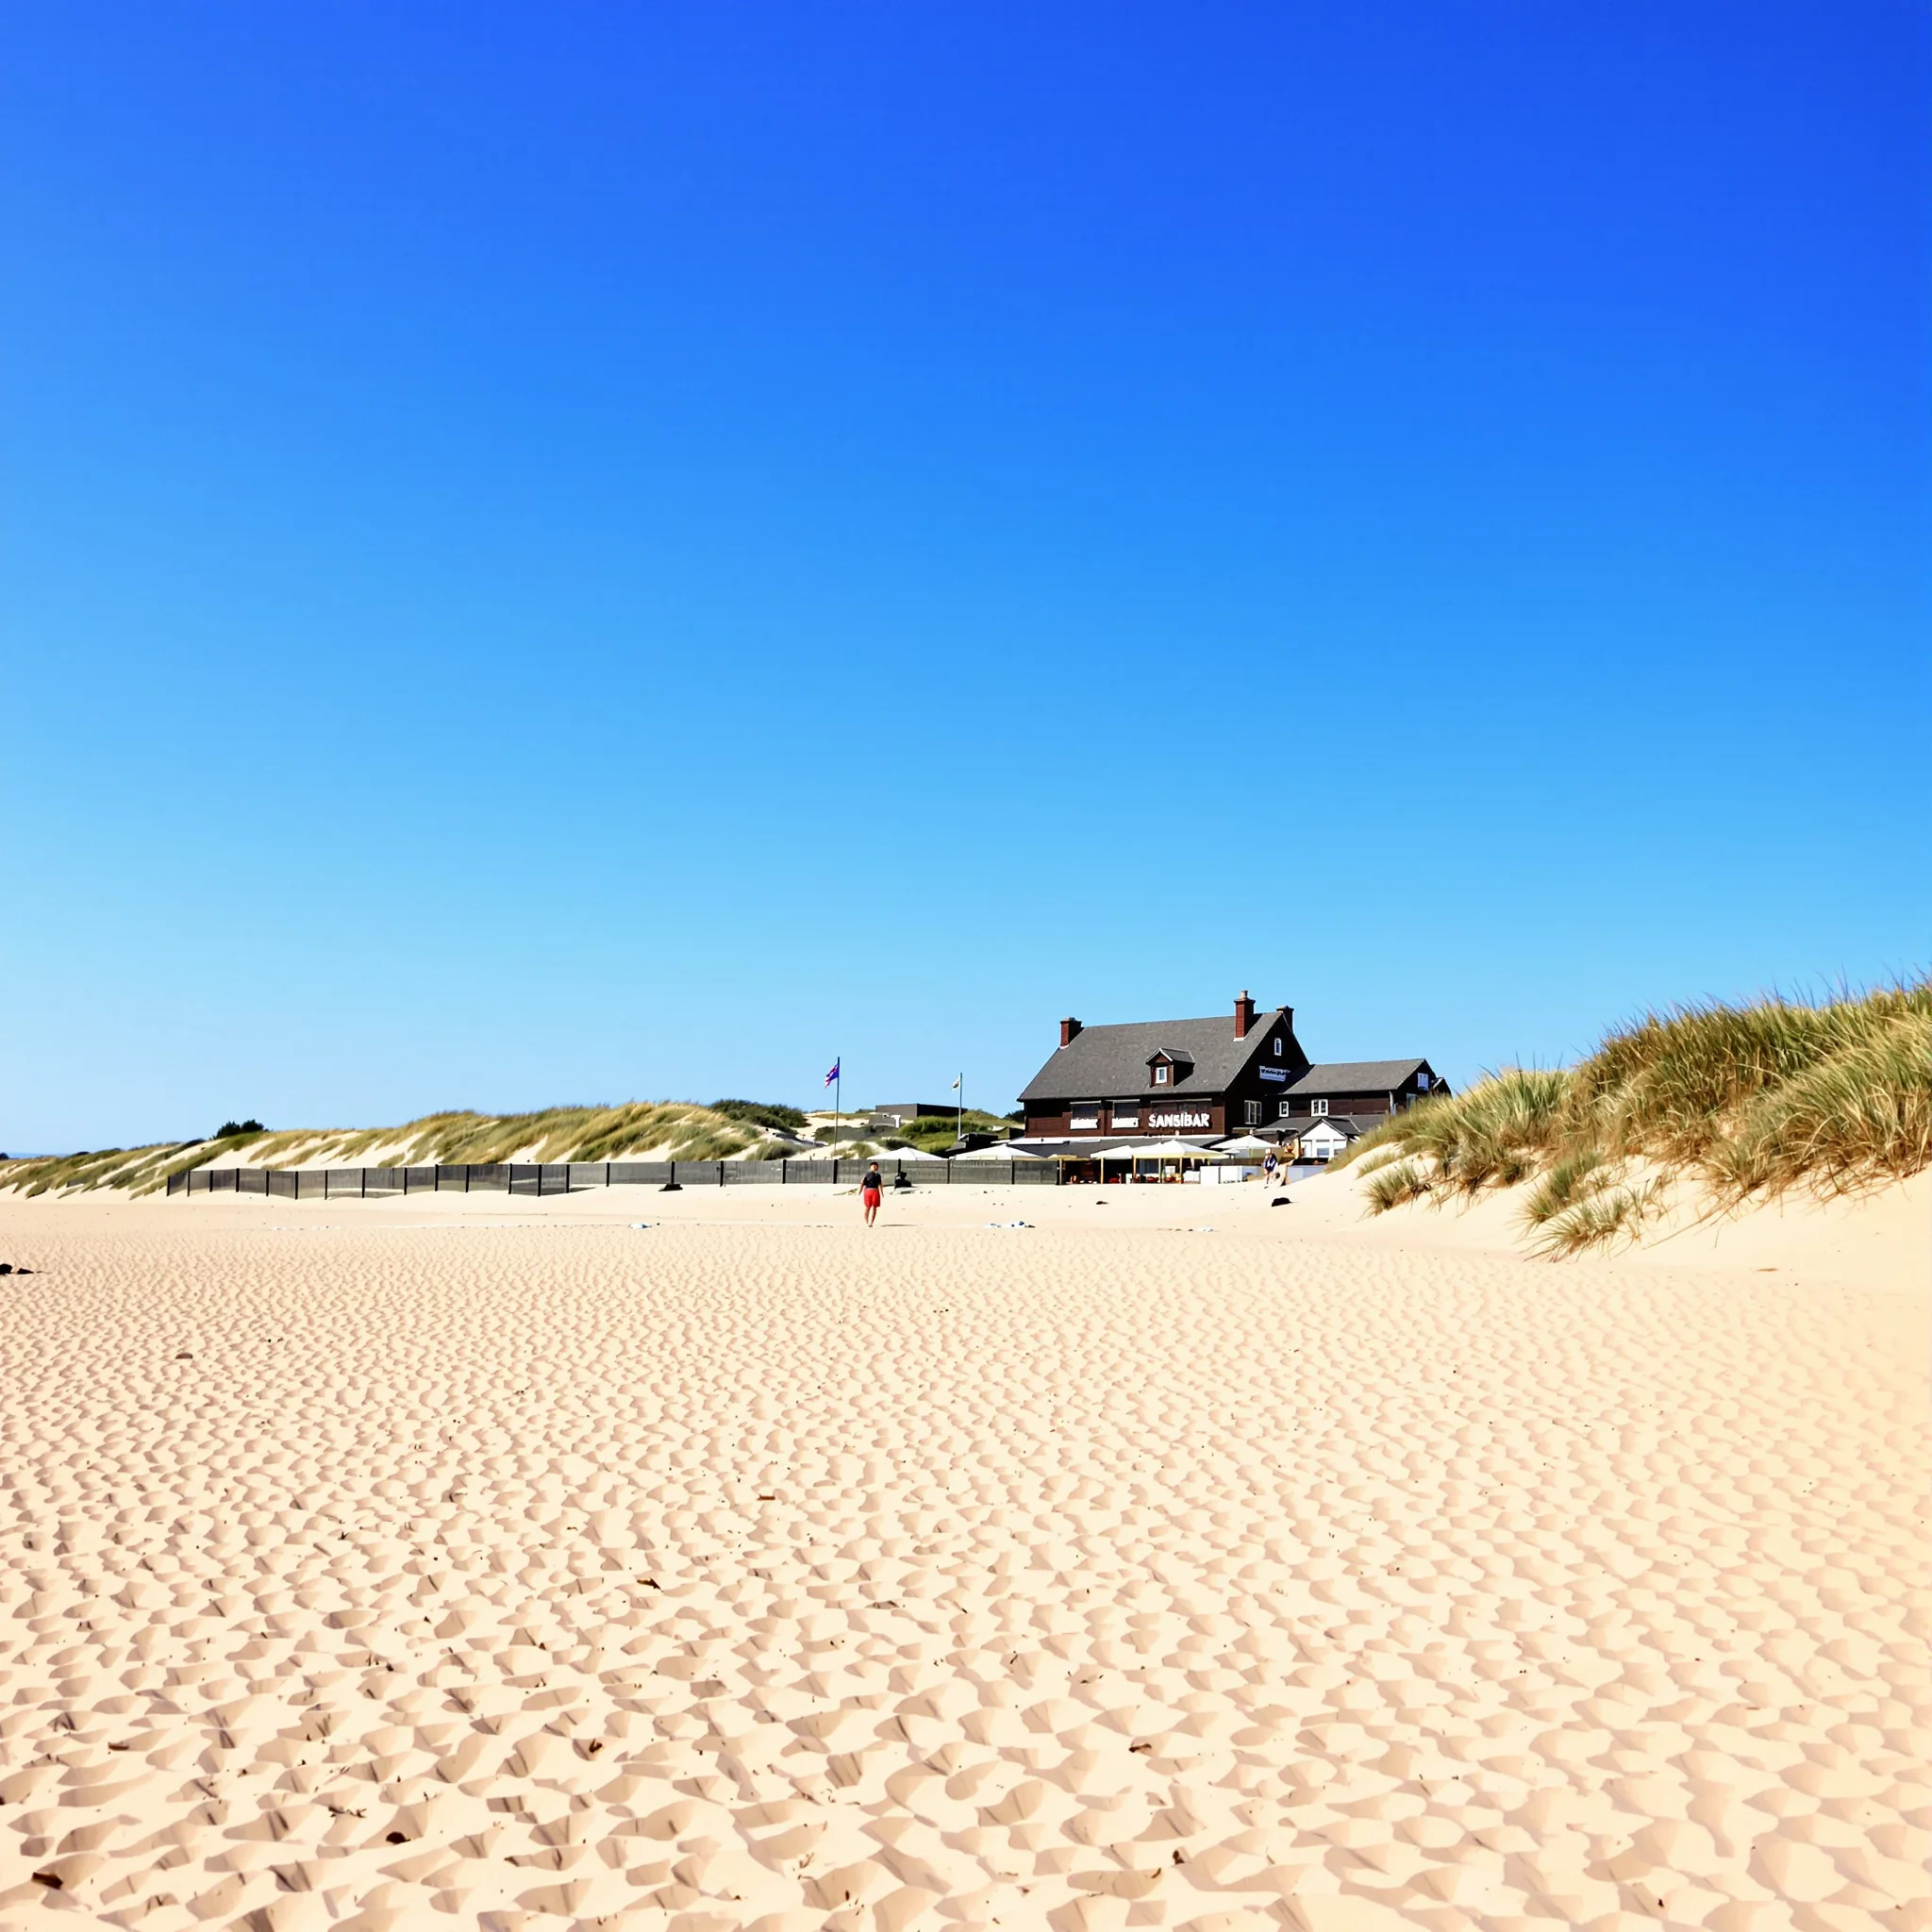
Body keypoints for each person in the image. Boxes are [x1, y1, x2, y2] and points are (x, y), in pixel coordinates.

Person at [861, 1160, 883, 1226]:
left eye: (875, 1165)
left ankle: (871, 1222)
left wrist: (882, 1192)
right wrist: (860, 1191)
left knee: (874, 1207)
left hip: (875, 1191)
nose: (874, 1166)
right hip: (868, 1190)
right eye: (872, 1165)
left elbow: (880, 1184)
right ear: (870, 1167)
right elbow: (862, 1183)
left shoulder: (878, 1175)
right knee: (867, 1207)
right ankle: (867, 1222)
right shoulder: (867, 1175)